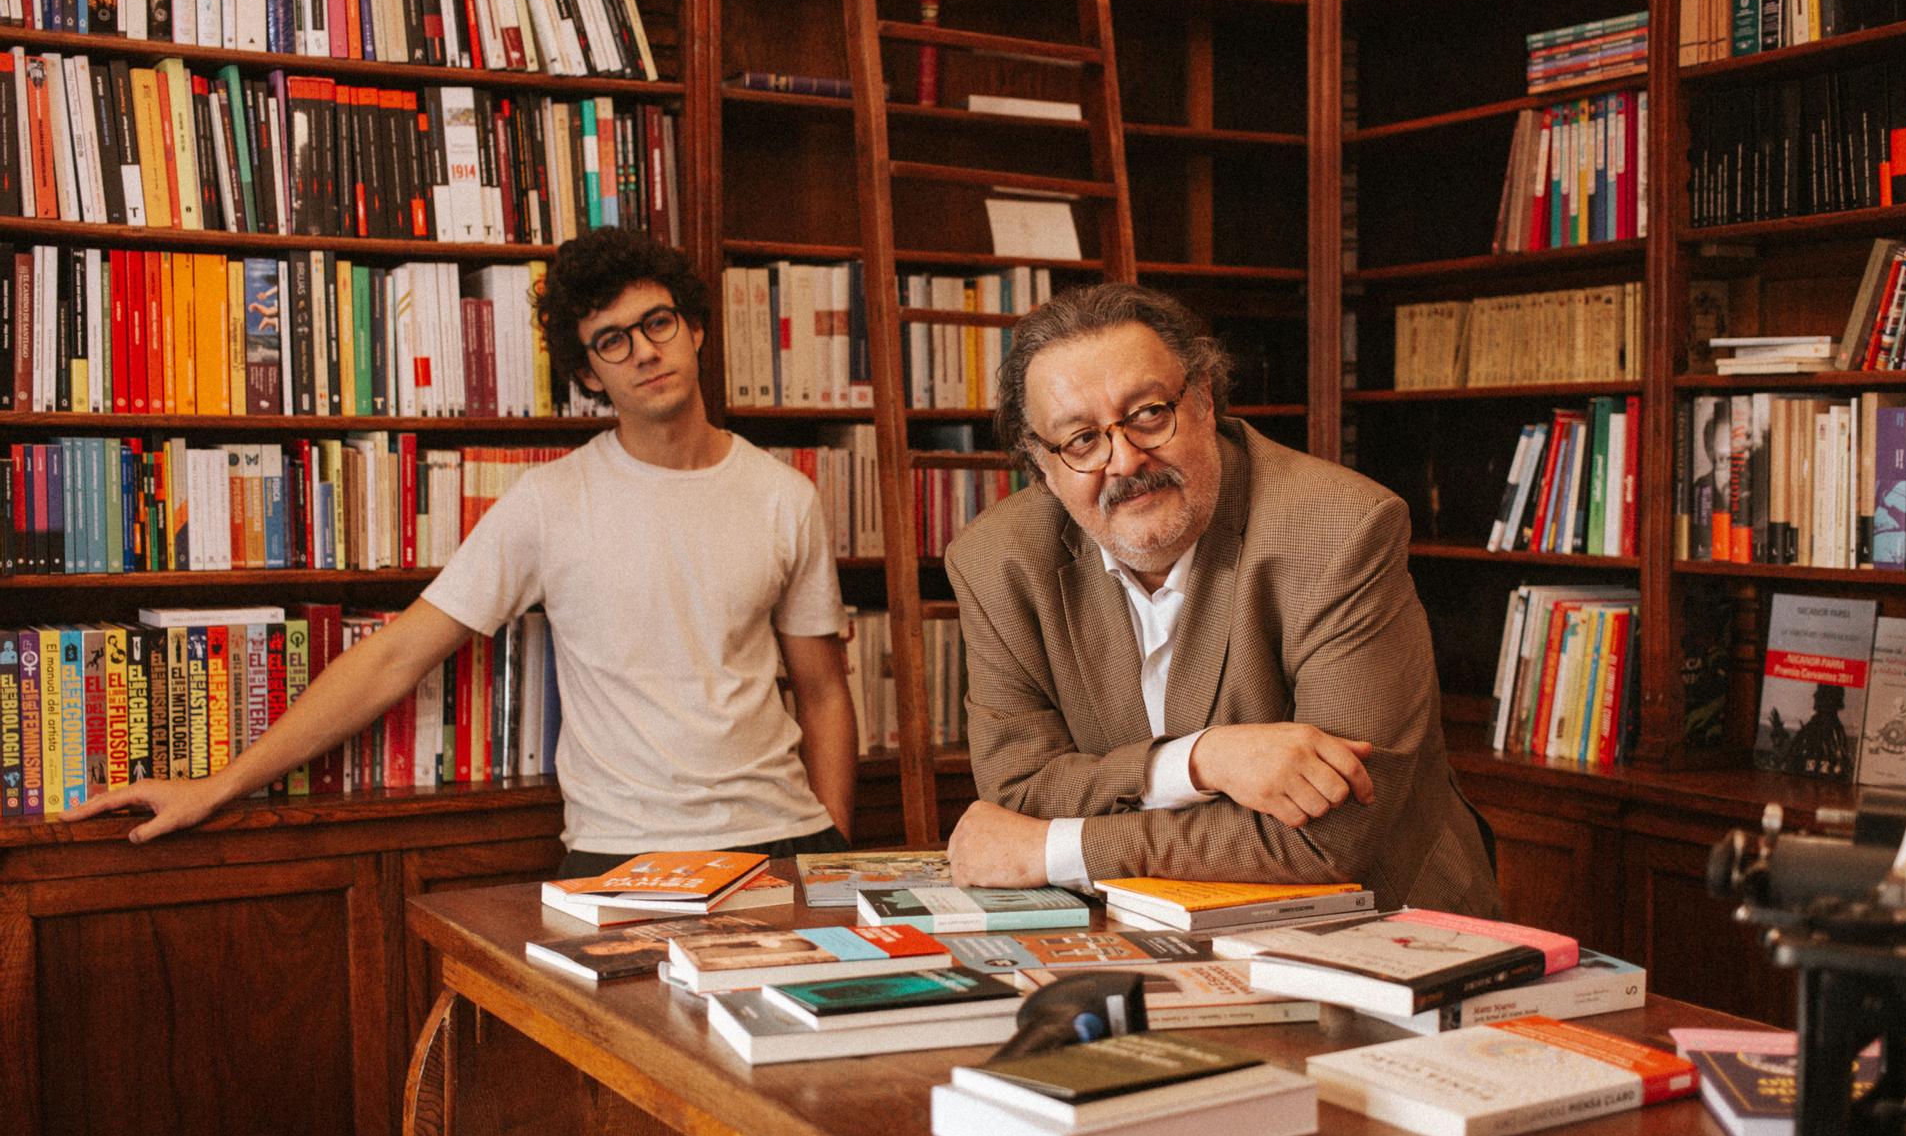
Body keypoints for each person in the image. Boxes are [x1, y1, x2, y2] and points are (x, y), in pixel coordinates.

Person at [68, 229, 858, 876]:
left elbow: (822, 694)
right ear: (588, 373)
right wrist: (217, 785)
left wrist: (834, 858)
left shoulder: (783, 496)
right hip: (627, 855)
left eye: (657, 323)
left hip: (784, 844)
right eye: (612, 342)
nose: (645, 352)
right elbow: (394, 657)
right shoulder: (550, 503)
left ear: (693, 327)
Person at [942, 283, 1499, 915]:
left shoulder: (1342, 530)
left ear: (1204, 398)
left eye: (1149, 413)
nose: (1124, 460)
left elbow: (1330, 840)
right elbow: (1018, 792)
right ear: (1042, 464)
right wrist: (1199, 761)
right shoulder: (997, 561)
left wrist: (1052, 849)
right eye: (1081, 440)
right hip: (1143, 936)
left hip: (1381, 934)